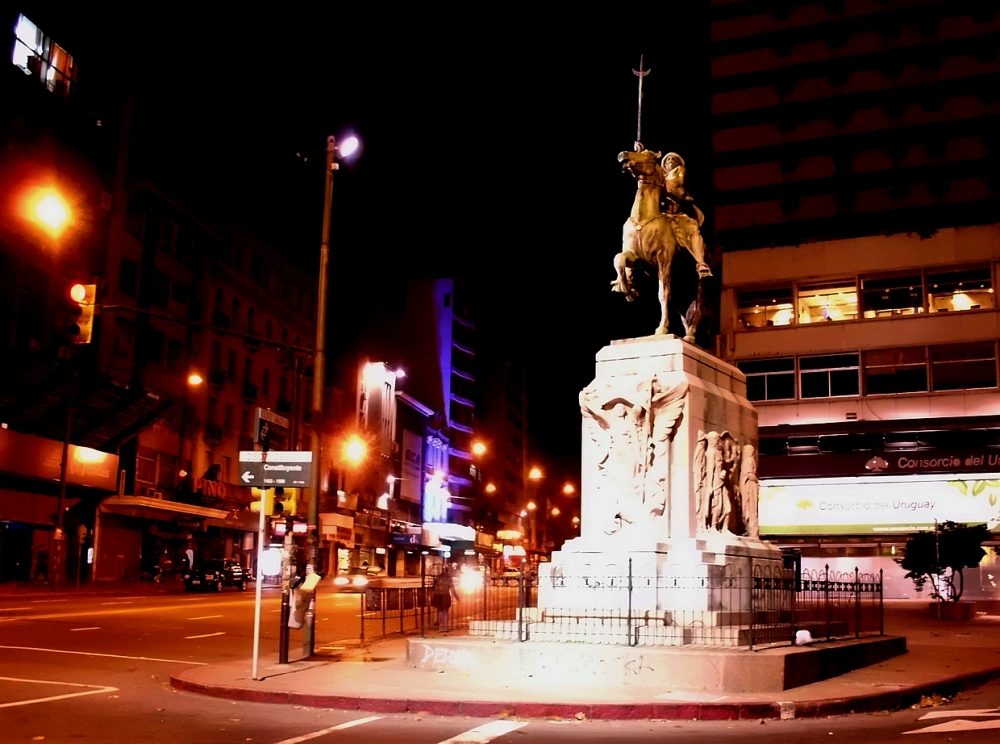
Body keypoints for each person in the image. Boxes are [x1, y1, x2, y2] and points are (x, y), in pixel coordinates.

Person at [660, 152, 712, 279]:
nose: (670, 160)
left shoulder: (679, 172)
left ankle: (701, 263)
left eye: (673, 159)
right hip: (662, 215)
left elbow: (677, 188)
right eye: (668, 160)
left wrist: (659, 187)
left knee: (693, 229)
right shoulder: (659, 176)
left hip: (679, 215)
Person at [431, 567, 459, 632]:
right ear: (448, 571)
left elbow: (433, 587)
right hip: (445, 595)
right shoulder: (449, 579)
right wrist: (456, 597)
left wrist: (432, 596)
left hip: (437, 595)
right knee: (445, 611)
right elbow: (452, 589)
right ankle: (444, 627)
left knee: (440, 610)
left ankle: (437, 622)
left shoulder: (438, 577)